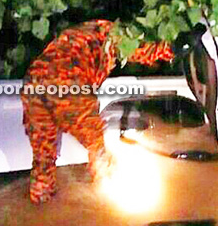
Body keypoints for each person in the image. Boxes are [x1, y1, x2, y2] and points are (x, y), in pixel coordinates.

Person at [21, 19, 174, 204]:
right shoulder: (114, 36)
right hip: (67, 82)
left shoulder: (86, 31)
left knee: (43, 158)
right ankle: (107, 207)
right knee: (97, 148)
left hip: (34, 82)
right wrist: (172, 48)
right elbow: (143, 51)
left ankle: (41, 202)